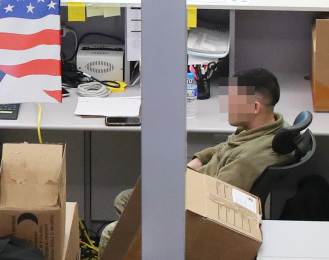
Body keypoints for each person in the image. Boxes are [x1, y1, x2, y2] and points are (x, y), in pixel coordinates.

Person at [101, 67, 294, 248]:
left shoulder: (249, 160)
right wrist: (199, 160)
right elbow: (226, 146)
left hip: (197, 210)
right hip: (196, 188)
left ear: (254, 107)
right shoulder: (269, 127)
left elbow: (214, 202)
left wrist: (168, 198)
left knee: (111, 232)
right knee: (125, 198)